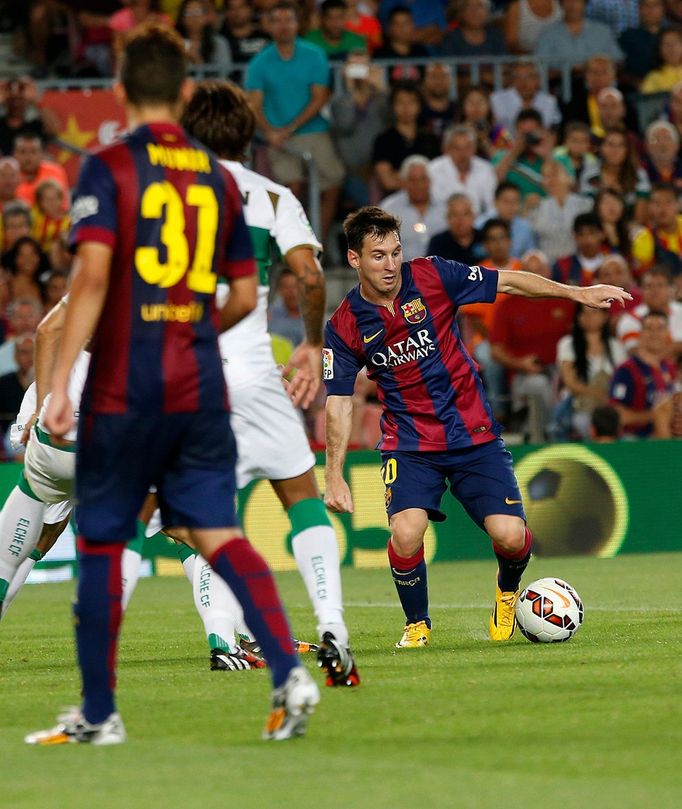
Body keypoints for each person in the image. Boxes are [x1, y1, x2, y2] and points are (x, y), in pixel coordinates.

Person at [21, 24, 319, 747]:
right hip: (202, 385)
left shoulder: (110, 168)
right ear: (185, 91)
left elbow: (91, 280)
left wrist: (58, 383)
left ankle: (99, 712)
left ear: (121, 89)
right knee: (216, 532)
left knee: (101, 541)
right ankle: (288, 672)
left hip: (128, 385)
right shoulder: (223, 181)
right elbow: (248, 300)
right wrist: (188, 326)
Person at [322, 205, 630, 648]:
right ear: (354, 259)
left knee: (511, 535)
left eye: (395, 252)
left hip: (473, 433)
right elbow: (338, 401)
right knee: (406, 533)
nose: (390, 265)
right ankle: (417, 624)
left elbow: (508, 280)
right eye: (377, 255)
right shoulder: (345, 325)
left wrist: (576, 293)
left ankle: (508, 592)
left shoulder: (432, 275)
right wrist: (333, 474)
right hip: (409, 443)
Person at [174, 79, 359, 685]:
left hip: (182, 379)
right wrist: (310, 343)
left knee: (206, 516)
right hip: (253, 376)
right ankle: (333, 625)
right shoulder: (273, 196)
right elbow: (308, 276)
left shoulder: (161, 198)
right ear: (248, 137)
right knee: (302, 500)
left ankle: (221, 639)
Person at [245, 0, 345, 241]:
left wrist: (289, 129)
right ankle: (294, 244)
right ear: (269, 25)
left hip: (312, 131)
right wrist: (270, 132)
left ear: (297, 24)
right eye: (277, 21)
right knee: (292, 189)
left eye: (288, 20)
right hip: (277, 136)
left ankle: (316, 241)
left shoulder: (314, 54)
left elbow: (319, 97)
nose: (283, 26)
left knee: (333, 183)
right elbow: (254, 104)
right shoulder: (260, 62)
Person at [551, 303, 627, 440]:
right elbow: (571, 383)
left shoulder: (616, 347)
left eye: (594, 313)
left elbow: (622, 380)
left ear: (605, 317)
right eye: (584, 313)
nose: (588, 318)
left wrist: (608, 399)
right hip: (578, 405)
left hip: (608, 406)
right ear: (578, 317)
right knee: (584, 422)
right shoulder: (567, 344)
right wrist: (599, 394)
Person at [330, 51, 390, 207]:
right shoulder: (339, 102)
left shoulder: (380, 99)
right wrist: (351, 92)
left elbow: (393, 120)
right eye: (353, 66)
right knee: (373, 206)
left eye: (362, 66)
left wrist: (381, 88)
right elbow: (346, 125)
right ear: (345, 71)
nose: (358, 72)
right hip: (353, 173)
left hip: (381, 169)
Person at [610, 310, 676, 437]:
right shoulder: (627, 370)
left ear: (668, 334)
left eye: (660, 328)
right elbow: (619, 416)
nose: (654, 333)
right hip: (634, 440)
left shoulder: (669, 368)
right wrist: (657, 414)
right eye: (649, 328)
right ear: (640, 333)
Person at [372, 81, 440, 195]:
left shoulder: (430, 139)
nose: (406, 107)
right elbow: (388, 182)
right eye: (400, 102)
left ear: (419, 106)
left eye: (411, 102)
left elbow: (437, 177)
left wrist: (399, 176)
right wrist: (420, 181)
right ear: (393, 106)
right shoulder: (383, 141)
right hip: (396, 201)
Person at [527, 159, 593, 264]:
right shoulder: (536, 207)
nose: (551, 179)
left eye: (555, 173)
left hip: (579, 267)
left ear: (569, 176)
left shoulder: (586, 204)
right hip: (547, 269)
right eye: (545, 176)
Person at [380, 155, 446, 261]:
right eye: (412, 180)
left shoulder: (445, 207)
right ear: (404, 182)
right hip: (402, 272)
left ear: (430, 181)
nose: (418, 185)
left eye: (422, 179)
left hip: (441, 273)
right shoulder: (389, 209)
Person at [428, 124, 497, 215]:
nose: (463, 153)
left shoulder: (486, 169)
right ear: (447, 149)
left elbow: (491, 206)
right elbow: (433, 206)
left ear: (474, 149)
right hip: (442, 223)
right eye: (457, 148)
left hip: (478, 224)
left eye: (467, 147)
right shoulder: (433, 170)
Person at [534, 0, 623, 67]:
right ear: (561, 4)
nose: (573, 5)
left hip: (599, 86)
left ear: (585, 3)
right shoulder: (548, 33)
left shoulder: (602, 31)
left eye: (577, 1)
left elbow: (618, 61)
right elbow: (540, 67)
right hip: (559, 86)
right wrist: (569, 70)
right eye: (568, 1)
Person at [616, 265, 682, 355]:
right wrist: (676, 347)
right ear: (641, 290)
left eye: (660, 285)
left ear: (671, 289)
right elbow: (637, 354)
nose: (654, 290)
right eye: (649, 286)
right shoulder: (629, 320)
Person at [490, 61, 562, 134]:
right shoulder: (498, 99)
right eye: (518, 77)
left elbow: (554, 131)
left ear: (538, 80)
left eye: (529, 77)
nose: (523, 83)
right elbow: (495, 130)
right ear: (512, 80)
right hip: (506, 143)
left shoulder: (550, 101)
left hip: (541, 143)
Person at [631, 183, 682, 278]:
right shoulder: (643, 239)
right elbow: (645, 279)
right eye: (657, 203)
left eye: (668, 202)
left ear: (678, 204)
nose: (663, 209)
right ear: (650, 207)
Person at [476, 181, 536, 259]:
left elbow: (530, 255)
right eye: (506, 201)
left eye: (515, 201)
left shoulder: (525, 227)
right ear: (495, 202)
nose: (511, 206)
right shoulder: (480, 224)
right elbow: (476, 253)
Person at [13, 132, 70, 211]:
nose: (28, 157)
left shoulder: (55, 172)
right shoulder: (6, 175)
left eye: (33, 152)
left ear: (41, 154)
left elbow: (63, 206)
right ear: (14, 154)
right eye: (23, 152)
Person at [619, 0, 668, 88]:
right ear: (639, 10)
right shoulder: (628, 37)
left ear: (664, 10)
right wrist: (637, 83)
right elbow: (620, 70)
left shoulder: (673, 34)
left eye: (655, 5)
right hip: (638, 92)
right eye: (646, 6)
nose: (651, 10)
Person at [175, 0, 232, 71]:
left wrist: (197, 59)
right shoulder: (175, 43)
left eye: (197, 12)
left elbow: (224, 72)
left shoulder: (219, 43)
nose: (193, 17)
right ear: (182, 19)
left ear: (205, 17)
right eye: (188, 13)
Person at [426, 193, 482, 265]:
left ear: (473, 216)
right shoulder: (438, 243)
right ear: (448, 217)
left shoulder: (485, 238)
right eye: (454, 215)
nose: (460, 220)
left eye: (465, 214)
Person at [552, 212, 606, 286]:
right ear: (575, 237)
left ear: (602, 234)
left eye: (592, 233)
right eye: (581, 234)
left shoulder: (614, 265)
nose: (587, 239)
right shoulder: (562, 266)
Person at [268, 267, 305, 346]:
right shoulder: (268, 316)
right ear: (279, 290)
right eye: (287, 287)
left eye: (296, 287)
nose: (292, 292)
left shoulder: (316, 318)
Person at [641, 28, 682, 94]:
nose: (672, 48)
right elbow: (648, 103)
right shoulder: (653, 77)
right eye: (666, 44)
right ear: (659, 50)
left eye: (676, 42)